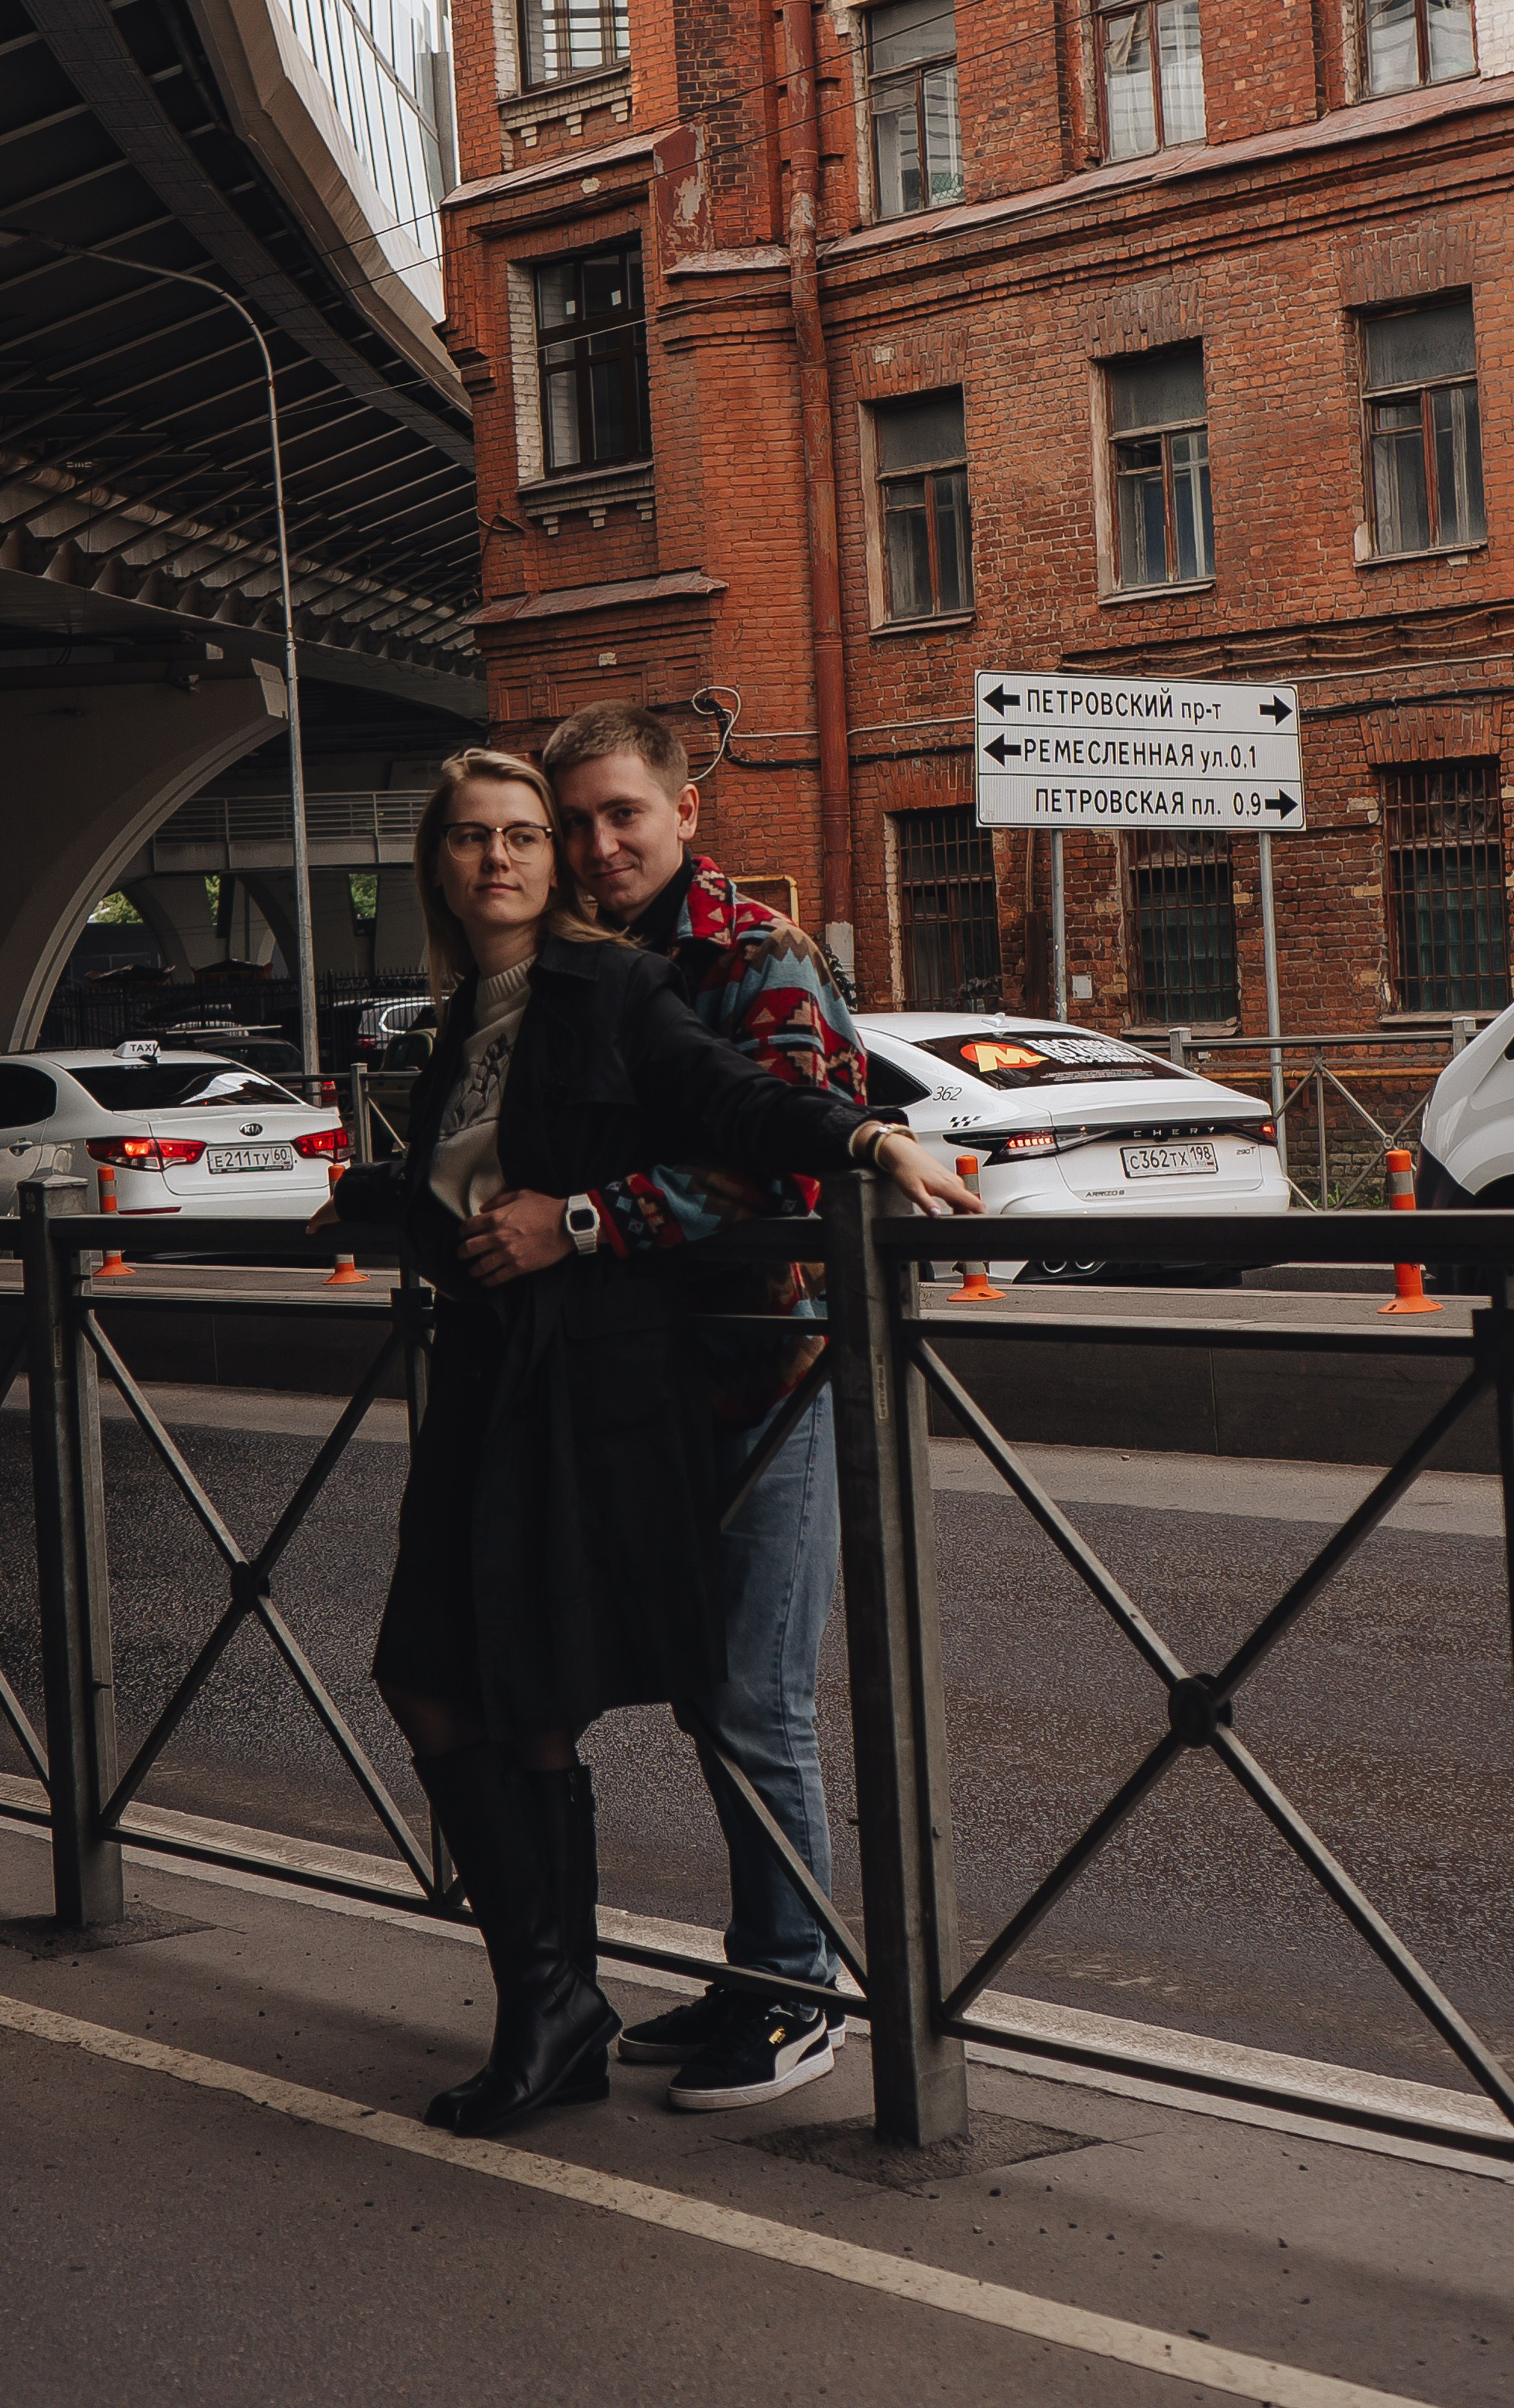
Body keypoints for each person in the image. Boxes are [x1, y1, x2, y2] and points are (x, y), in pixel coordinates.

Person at [324, 745, 977, 2141]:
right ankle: (575, 1998)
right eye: (481, 837)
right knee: (443, 1676)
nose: (513, 855)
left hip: (701, 1376)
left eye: (536, 835)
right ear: (437, 865)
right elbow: (508, 1159)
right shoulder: (470, 1016)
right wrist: (379, 1199)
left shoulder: (635, 978)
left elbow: (738, 1118)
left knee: (697, 1697)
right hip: (507, 1382)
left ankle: (738, 1990)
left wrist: (870, 1143)